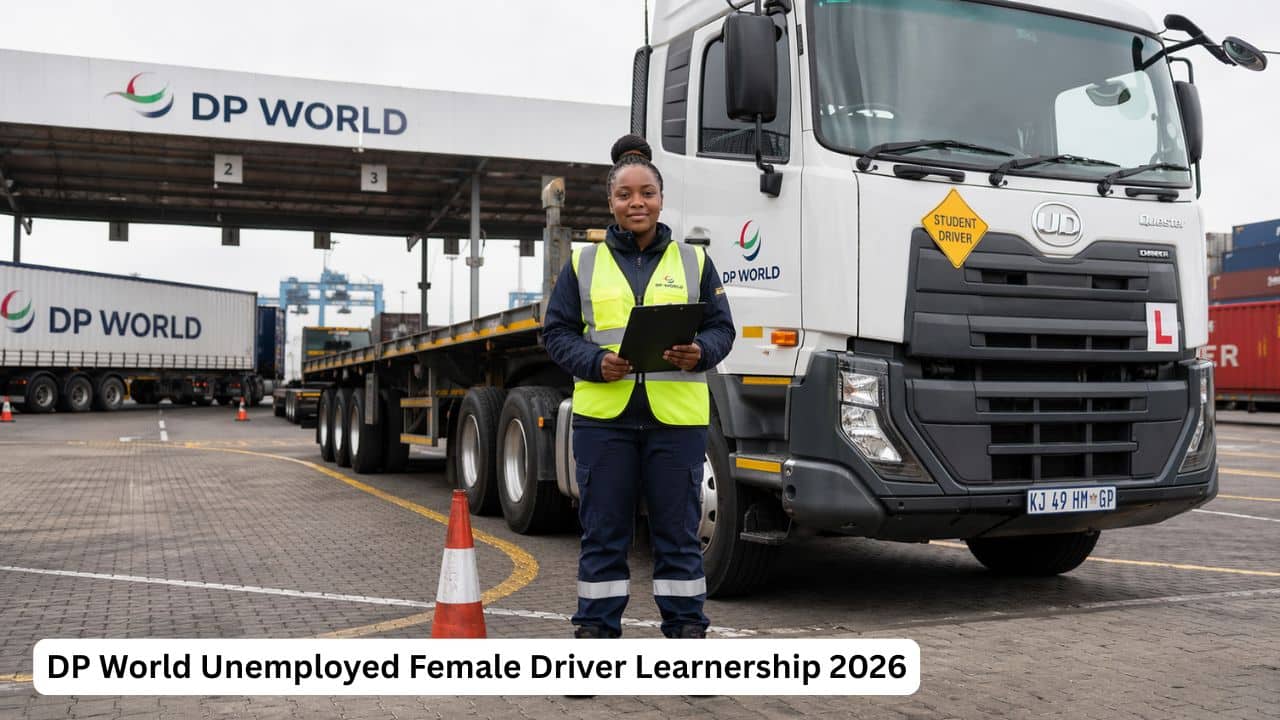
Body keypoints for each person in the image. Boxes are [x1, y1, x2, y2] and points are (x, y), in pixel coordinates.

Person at [542, 134, 735, 639]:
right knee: (605, 536)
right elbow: (556, 333)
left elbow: (722, 328)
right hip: (605, 422)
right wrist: (595, 360)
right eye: (625, 194)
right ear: (611, 202)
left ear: (660, 198)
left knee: (678, 537)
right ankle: (595, 644)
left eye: (646, 192)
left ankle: (688, 641)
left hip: (677, 424)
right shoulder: (583, 264)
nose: (636, 203)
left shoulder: (694, 262)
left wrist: (703, 352)